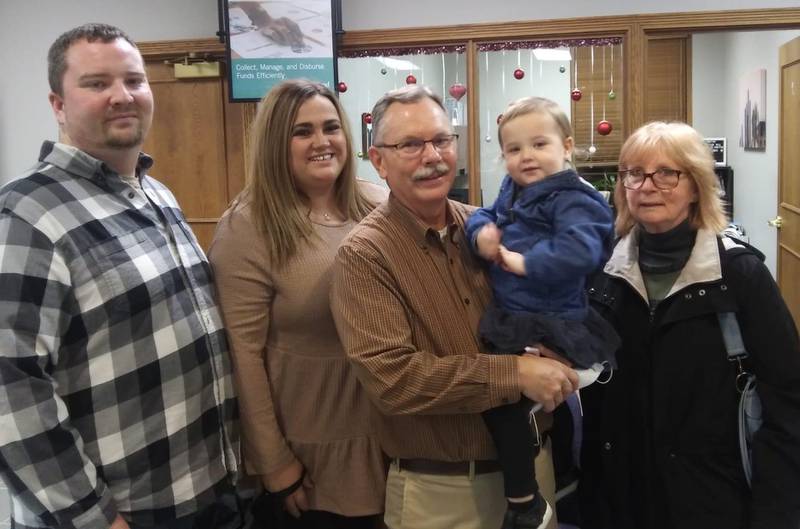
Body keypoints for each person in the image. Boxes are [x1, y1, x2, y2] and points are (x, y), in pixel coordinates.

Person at [0, 23, 239, 529]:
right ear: (57, 103)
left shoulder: (159, 195)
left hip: (202, 493)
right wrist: (91, 517)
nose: (121, 96)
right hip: (123, 513)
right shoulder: (26, 217)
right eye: (96, 83)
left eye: (134, 80)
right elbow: (10, 388)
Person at [330, 85, 579, 529]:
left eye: (442, 140)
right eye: (411, 144)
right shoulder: (364, 256)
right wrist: (515, 374)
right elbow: (393, 379)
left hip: (534, 469)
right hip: (442, 494)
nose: (433, 156)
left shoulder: (486, 227)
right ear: (379, 160)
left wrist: (555, 354)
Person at [579, 121, 800, 529]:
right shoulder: (604, 271)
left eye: (667, 173)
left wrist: (776, 512)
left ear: (696, 185)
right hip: (619, 497)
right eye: (634, 173)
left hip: (711, 499)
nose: (647, 186)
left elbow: (787, 400)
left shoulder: (739, 275)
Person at [208, 79, 387, 529]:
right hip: (309, 460)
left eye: (331, 127)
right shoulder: (248, 226)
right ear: (275, 143)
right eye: (301, 131)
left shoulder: (380, 204)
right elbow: (242, 356)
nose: (321, 142)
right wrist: (274, 462)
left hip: (393, 442)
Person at [465, 96, 619, 529]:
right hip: (515, 313)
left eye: (539, 144)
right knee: (510, 401)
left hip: (552, 317)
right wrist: (482, 237)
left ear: (566, 146)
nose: (526, 157)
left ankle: (526, 499)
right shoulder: (513, 188)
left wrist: (522, 262)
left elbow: (580, 250)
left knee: (504, 403)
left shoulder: (576, 198)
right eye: (514, 150)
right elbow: (484, 215)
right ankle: (554, 483)